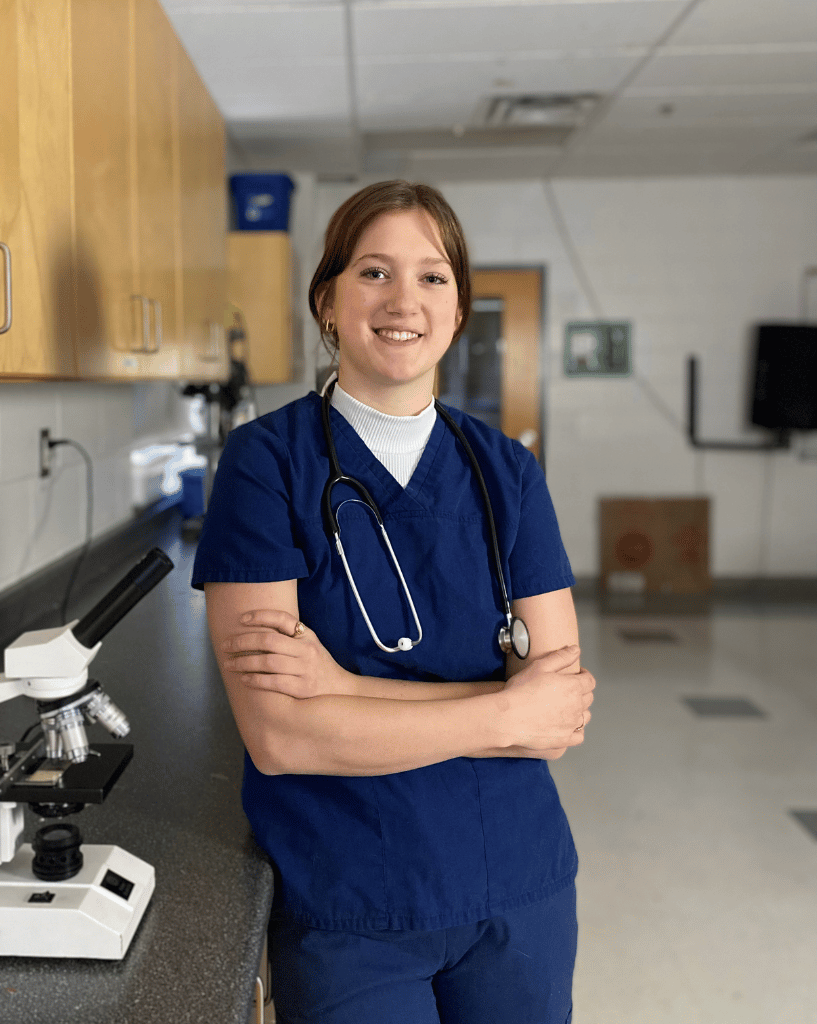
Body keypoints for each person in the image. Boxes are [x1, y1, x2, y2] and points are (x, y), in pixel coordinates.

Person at [191, 180, 595, 1024]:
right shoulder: (266, 466)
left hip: (516, 890)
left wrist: (343, 686)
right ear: (328, 301)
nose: (403, 300)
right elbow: (281, 734)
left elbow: (556, 717)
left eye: (432, 277)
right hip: (350, 899)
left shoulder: (507, 473)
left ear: (457, 310)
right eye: (374, 272)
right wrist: (501, 707)